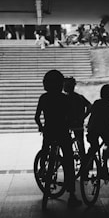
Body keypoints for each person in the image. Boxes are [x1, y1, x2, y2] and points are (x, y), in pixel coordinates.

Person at [34, 69, 82, 207]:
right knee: (68, 161)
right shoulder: (64, 99)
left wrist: (41, 126)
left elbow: (37, 117)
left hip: (49, 131)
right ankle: (71, 194)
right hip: (63, 132)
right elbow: (71, 116)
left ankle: (43, 168)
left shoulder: (43, 98)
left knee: (45, 149)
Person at [63, 77, 91, 158]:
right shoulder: (80, 97)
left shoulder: (64, 98)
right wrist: (83, 117)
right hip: (78, 124)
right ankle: (84, 164)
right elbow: (90, 107)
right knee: (80, 145)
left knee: (66, 146)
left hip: (67, 124)